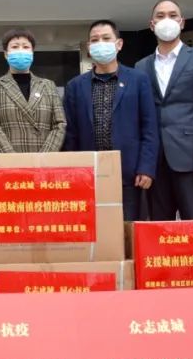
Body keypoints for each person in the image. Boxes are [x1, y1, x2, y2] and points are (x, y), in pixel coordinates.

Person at [63, 20, 158, 221]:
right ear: (89, 47)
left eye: (106, 38)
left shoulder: (138, 80)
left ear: (119, 44)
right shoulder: (75, 86)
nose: (100, 43)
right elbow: (70, 134)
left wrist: (146, 168)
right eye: (95, 40)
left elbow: (149, 127)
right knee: (93, 228)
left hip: (130, 173)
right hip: (88, 174)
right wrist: (71, 171)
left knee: (128, 228)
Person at [135, 0, 193, 221]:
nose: (167, 20)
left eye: (172, 15)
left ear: (181, 23)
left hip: (192, 156)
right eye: (160, 15)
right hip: (155, 160)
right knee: (160, 225)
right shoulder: (141, 66)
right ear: (152, 24)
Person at [0, 28, 65, 153]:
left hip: (44, 159)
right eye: (15, 47)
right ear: (6, 54)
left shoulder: (48, 86)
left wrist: (44, 157)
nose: (20, 51)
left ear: (32, 53)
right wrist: (13, 158)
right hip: (8, 159)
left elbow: (60, 124)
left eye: (26, 47)